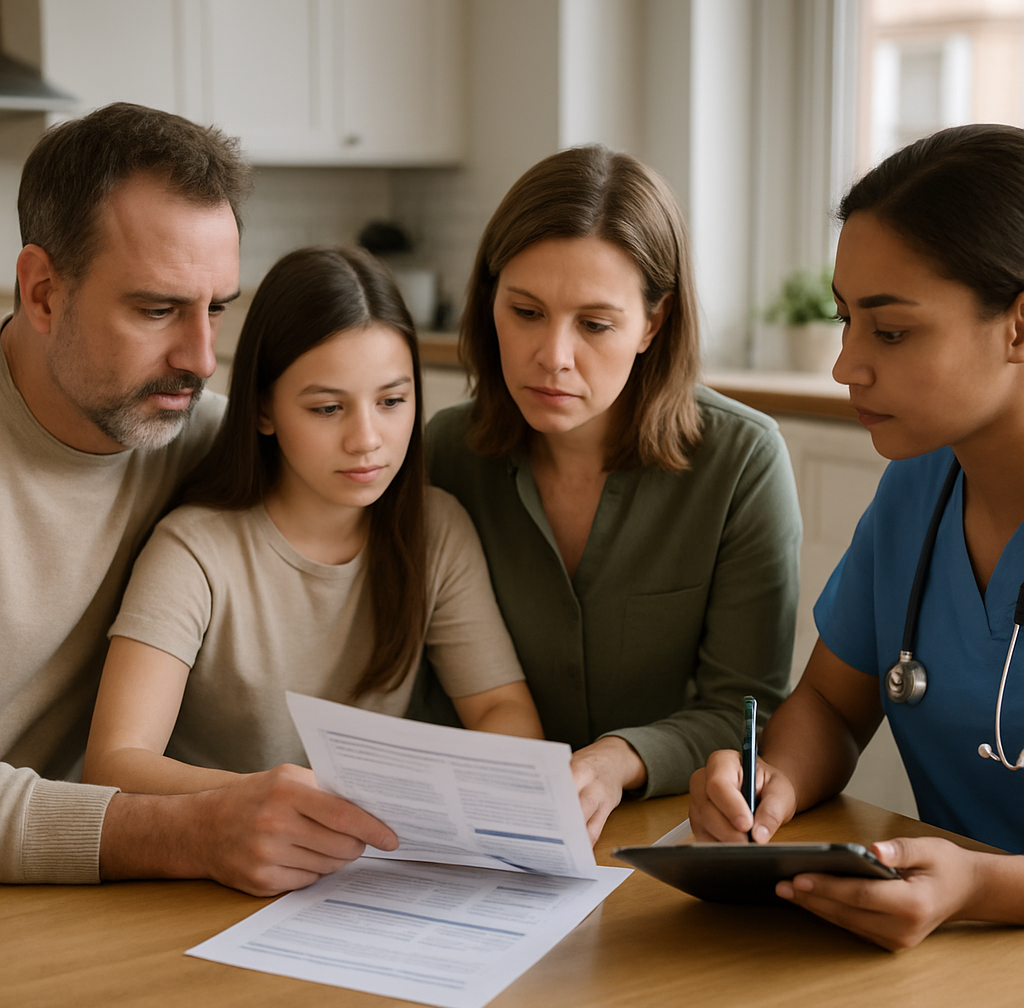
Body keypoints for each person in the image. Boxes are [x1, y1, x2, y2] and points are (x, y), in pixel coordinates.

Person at [0, 102, 396, 895]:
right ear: (42, 292)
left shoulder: (216, 443)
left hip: (103, 904)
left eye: (217, 308)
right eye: (156, 310)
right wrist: (187, 832)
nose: (204, 359)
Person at [690, 123, 1024, 950]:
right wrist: (769, 782)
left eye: (891, 330)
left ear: (1018, 326)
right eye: (845, 322)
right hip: (955, 959)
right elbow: (834, 707)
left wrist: (983, 886)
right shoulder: (917, 488)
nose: (845, 366)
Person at [420, 145, 802, 842]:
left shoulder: (742, 460)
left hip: (665, 833)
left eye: (595, 324)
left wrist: (620, 759)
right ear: (490, 301)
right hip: (478, 829)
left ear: (652, 324)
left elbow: (745, 713)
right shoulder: (442, 452)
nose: (553, 356)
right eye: (526, 311)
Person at [81, 245, 543, 796]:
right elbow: (115, 763)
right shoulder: (194, 552)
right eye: (327, 408)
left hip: (368, 859)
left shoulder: (437, 529)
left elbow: (502, 709)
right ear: (263, 409)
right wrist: (272, 799)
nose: (367, 440)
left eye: (392, 401)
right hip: (214, 865)